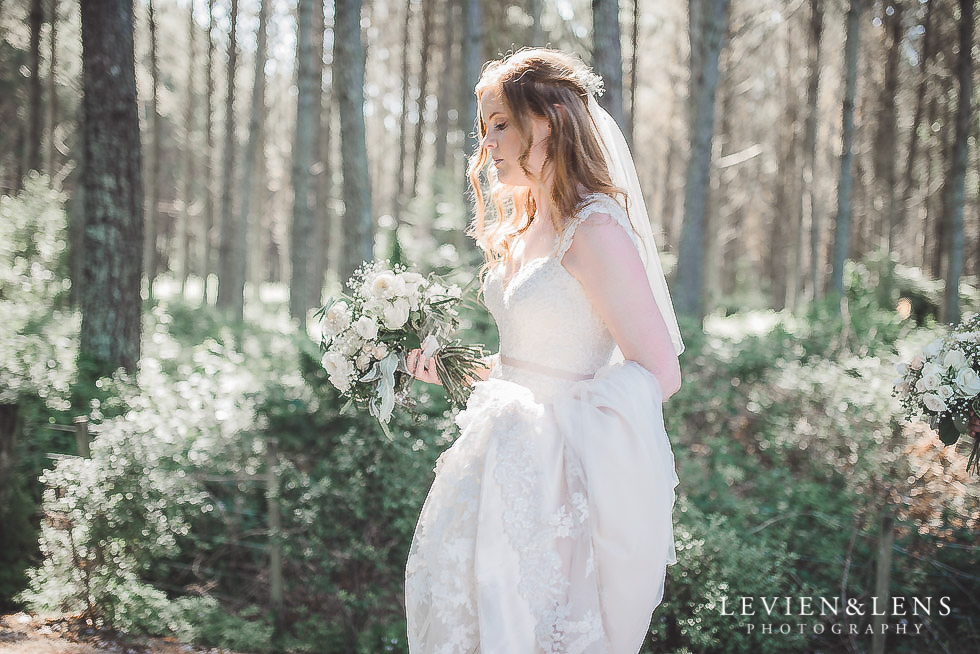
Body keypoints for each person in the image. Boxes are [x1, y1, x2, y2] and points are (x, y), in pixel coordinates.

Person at [404, 48, 684, 654]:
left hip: (556, 476)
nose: (488, 145)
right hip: (495, 460)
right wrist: (447, 370)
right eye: (484, 129)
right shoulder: (529, 226)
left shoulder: (597, 229)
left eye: (501, 123)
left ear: (549, 118)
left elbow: (660, 371)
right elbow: (525, 365)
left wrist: (565, 429)